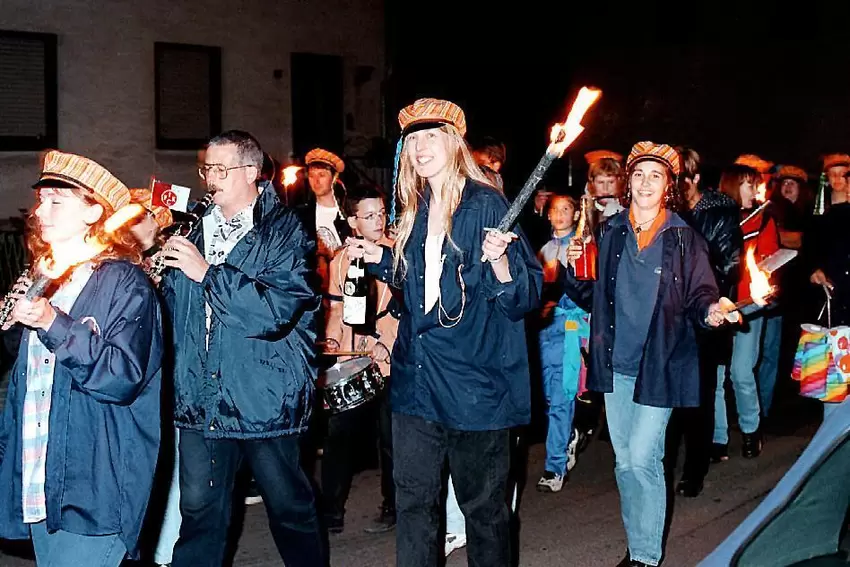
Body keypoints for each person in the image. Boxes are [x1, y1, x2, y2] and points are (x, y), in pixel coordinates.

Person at [346, 98, 542, 567]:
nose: (420, 147)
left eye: (431, 136)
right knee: (413, 505)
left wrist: (498, 261)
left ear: (454, 144)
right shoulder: (415, 208)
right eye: (413, 139)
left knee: (484, 511)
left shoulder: (485, 204)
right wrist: (375, 258)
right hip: (417, 382)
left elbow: (526, 296)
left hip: (475, 383)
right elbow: (416, 279)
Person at [159, 130, 324, 567]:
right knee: (198, 515)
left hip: (263, 397)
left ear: (252, 172)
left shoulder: (286, 229)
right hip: (200, 399)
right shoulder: (191, 230)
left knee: (288, 510)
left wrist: (206, 274)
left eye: (221, 169)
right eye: (206, 169)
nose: (210, 179)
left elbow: (274, 311)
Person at [561, 141, 727, 567]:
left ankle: (647, 558)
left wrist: (712, 310)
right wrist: (571, 268)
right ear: (627, 183)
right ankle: (636, 547)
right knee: (624, 464)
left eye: (656, 175)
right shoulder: (610, 231)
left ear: (668, 185)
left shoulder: (685, 238)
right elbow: (592, 294)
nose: (645, 182)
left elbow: (701, 293)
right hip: (617, 364)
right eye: (638, 174)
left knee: (642, 458)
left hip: (662, 363)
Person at [0, 150, 163, 566]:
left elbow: (122, 377)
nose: (41, 211)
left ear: (94, 212)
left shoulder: (125, 282)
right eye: (41, 200)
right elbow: (27, 380)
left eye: (57, 200)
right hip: (41, 481)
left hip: (95, 487)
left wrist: (54, 323)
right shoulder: (45, 276)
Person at [665, 147, 742, 498]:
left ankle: (694, 469)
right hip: (668, 318)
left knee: (699, 395)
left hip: (704, 314)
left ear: (694, 178)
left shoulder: (720, 213)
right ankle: (661, 467)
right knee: (667, 395)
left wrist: (696, 291)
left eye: (680, 177)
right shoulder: (662, 212)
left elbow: (729, 264)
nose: (674, 185)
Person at [322, 184, 398, 535]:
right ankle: (331, 510)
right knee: (340, 435)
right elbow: (337, 307)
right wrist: (333, 337)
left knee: (391, 437)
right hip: (354, 361)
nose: (378, 220)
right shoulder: (341, 259)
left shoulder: (396, 251)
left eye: (381, 213)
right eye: (369, 216)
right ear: (353, 221)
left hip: (390, 356)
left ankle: (393, 505)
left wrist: (383, 341)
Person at [715, 163, 779, 460]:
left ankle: (751, 430)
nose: (755, 190)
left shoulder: (764, 219)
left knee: (741, 371)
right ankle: (717, 438)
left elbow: (769, 260)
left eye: (756, 185)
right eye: (748, 184)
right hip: (719, 304)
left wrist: (766, 277)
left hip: (749, 306)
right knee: (715, 375)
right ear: (732, 186)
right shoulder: (715, 218)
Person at [535, 193, 589, 493]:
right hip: (545, 328)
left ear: (576, 213)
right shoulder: (542, 250)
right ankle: (567, 437)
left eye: (566, 209)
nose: (560, 215)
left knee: (562, 395)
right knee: (546, 396)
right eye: (555, 210)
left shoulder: (580, 247)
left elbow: (584, 291)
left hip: (569, 329)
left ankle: (554, 467)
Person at [804, 153, 850, 420]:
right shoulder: (820, 217)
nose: (838, 181)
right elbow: (809, 255)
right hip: (831, 305)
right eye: (832, 175)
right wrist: (813, 271)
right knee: (832, 381)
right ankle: (829, 441)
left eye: (844, 175)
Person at [297, 148, 352, 295]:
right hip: (316, 290)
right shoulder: (301, 216)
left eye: (321, 175)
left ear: (333, 177)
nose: (316, 181)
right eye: (312, 175)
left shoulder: (348, 214)